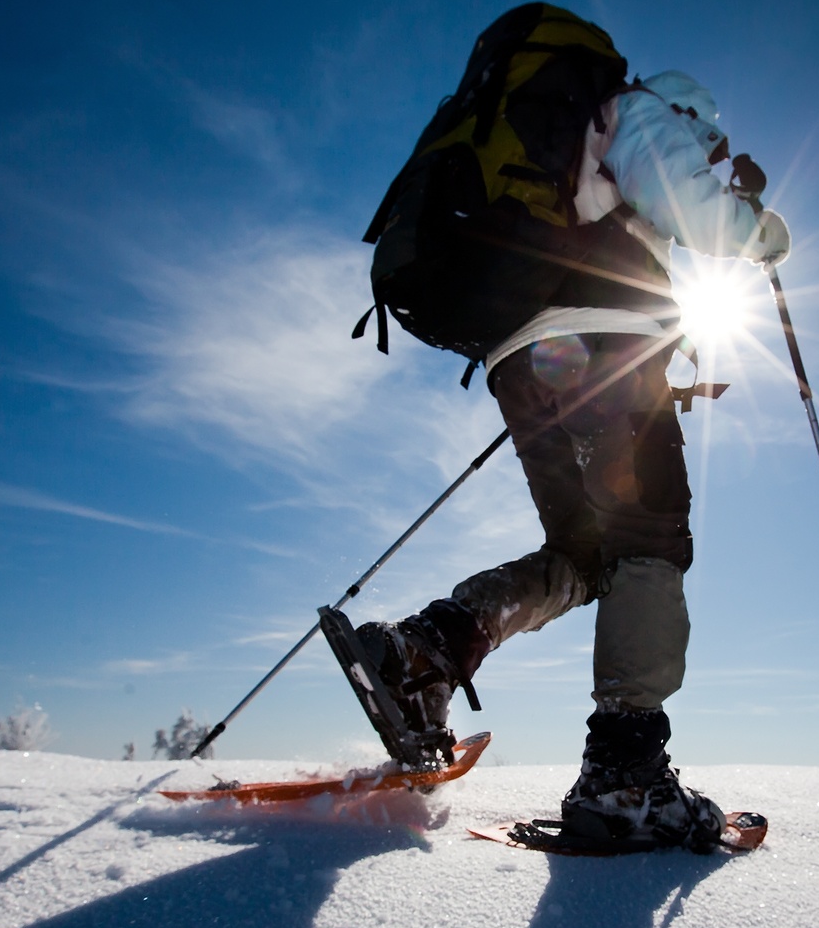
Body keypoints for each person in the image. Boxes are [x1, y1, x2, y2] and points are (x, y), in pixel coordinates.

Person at [328, 66, 789, 853]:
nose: (707, 153)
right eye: (706, 142)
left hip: (521, 360)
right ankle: (627, 775)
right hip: (602, 346)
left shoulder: (563, 142)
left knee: (581, 553)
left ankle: (423, 652)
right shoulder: (637, 112)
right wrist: (759, 229)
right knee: (648, 541)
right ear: (694, 117)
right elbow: (690, 207)